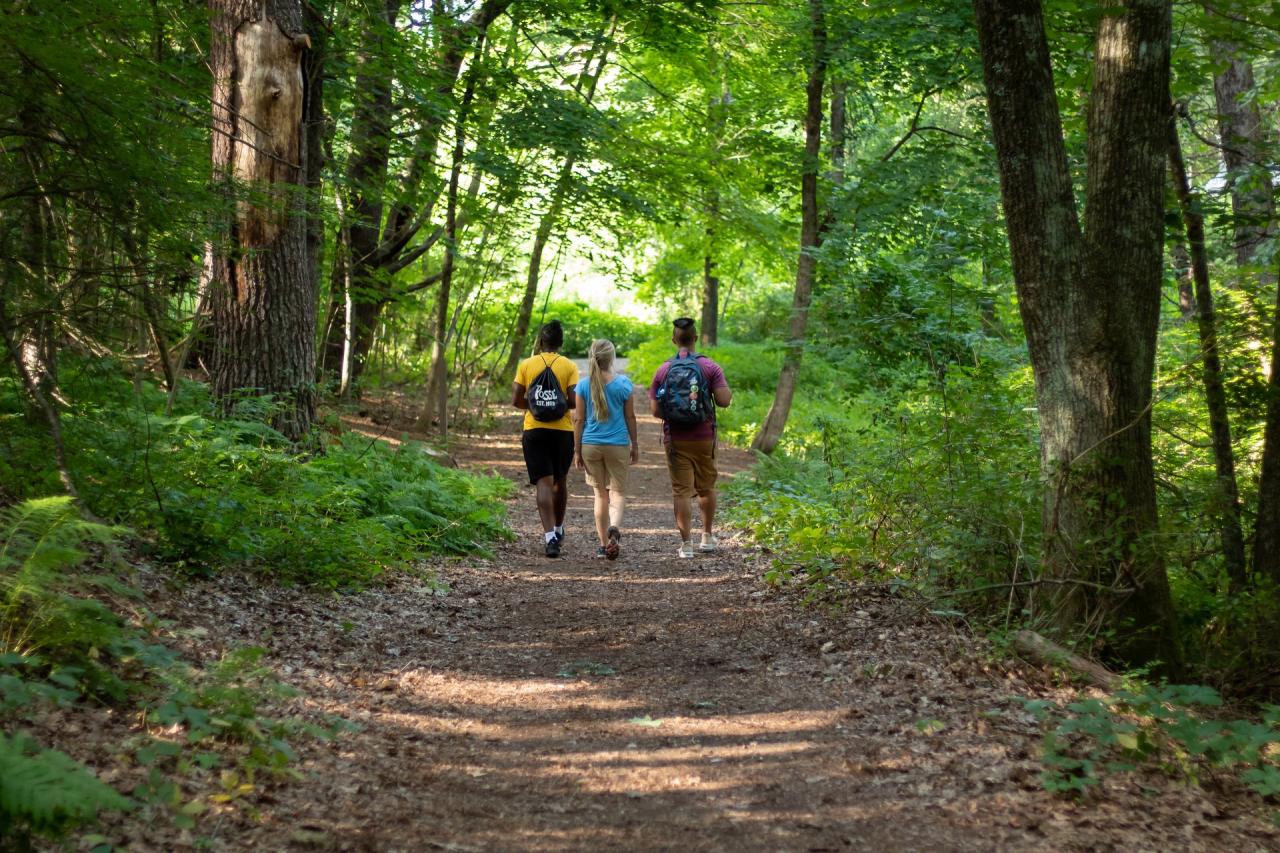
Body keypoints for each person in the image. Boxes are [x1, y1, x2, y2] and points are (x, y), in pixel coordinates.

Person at [649, 317, 732, 558]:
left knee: (681, 492)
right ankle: (707, 537)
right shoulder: (710, 367)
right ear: (695, 338)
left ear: (674, 340)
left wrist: (676, 414)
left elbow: (655, 411)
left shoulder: (663, 369)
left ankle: (686, 544)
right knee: (706, 488)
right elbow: (724, 401)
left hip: (675, 439)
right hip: (704, 437)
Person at [513, 320, 579, 557]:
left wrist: (534, 408)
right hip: (562, 431)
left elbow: (516, 399)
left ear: (541, 342)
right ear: (561, 343)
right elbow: (573, 401)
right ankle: (560, 528)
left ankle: (549, 536)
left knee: (543, 481)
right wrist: (557, 405)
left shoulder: (526, 364)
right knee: (560, 480)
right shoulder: (569, 366)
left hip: (534, 430)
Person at [573, 339, 639, 560]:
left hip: (591, 445)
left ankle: (603, 546)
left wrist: (577, 450)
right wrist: (635, 444)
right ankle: (614, 528)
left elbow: (579, 420)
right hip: (617, 444)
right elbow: (630, 417)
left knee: (600, 495)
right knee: (618, 493)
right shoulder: (624, 384)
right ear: (612, 358)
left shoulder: (583, 385)